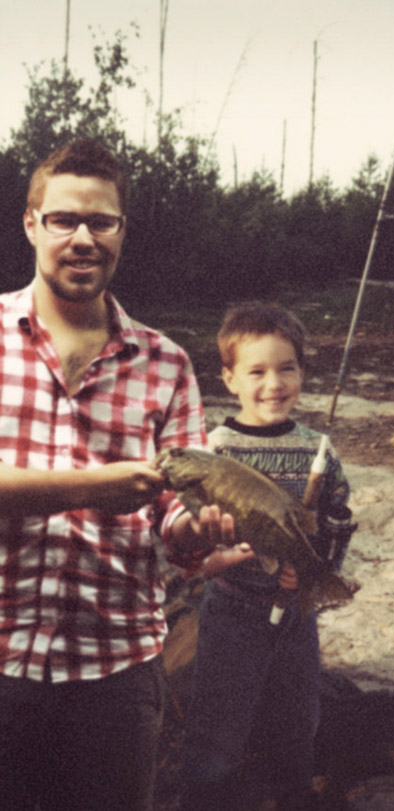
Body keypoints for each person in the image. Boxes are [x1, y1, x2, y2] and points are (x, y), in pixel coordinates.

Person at [0, 138, 226, 811]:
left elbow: (176, 522)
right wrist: (91, 488)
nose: (83, 238)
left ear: (122, 231)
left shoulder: (168, 363)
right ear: (32, 223)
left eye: (101, 221)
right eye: (65, 218)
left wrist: (198, 528)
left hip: (116, 671)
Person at [180, 302, 355, 811]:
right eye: (256, 371)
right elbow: (193, 540)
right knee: (217, 730)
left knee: (298, 724)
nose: (273, 384)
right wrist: (220, 556)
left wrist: (320, 561)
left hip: (296, 617)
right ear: (230, 378)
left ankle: (293, 796)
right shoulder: (213, 450)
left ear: (302, 372)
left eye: (287, 369)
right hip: (231, 612)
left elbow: (338, 517)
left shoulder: (317, 448)